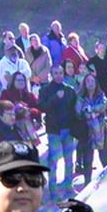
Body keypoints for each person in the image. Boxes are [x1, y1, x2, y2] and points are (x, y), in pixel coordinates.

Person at [38, 64, 79, 194]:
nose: (58, 75)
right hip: (54, 130)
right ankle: (53, 190)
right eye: (55, 73)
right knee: (53, 161)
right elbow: (42, 107)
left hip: (68, 129)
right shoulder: (45, 90)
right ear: (51, 74)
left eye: (60, 73)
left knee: (69, 160)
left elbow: (74, 109)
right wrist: (55, 98)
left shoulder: (70, 90)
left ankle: (68, 186)